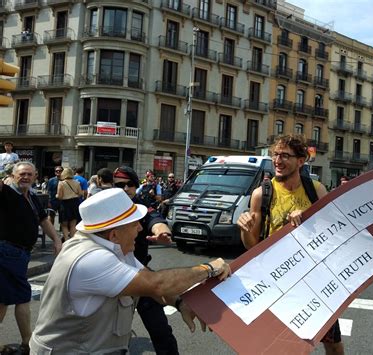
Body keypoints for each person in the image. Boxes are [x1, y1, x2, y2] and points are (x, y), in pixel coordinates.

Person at [30, 188, 231, 354]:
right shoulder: (91, 259)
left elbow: (150, 283)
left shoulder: (113, 247)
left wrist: (180, 303)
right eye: (134, 224)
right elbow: (156, 283)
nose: (140, 229)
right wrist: (209, 268)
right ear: (115, 234)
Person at [237, 134, 344, 355]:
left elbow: (333, 233)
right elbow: (252, 246)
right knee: (285, 347)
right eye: (275, 154)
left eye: (285, 155)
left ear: (301, 160)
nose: (277, 160)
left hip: (315, 281)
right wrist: (244, 229)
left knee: (333, 344)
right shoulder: (261, 194)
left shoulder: (316, 190)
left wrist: (308, 218)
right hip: (279, 283)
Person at [114, 166, 180, 353]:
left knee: (160, 330)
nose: (125, 189)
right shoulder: (106, 208)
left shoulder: (141, 205)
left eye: (130, 184)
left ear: (136, 186)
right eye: (120, 185)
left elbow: (155, 219)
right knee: (109, 335)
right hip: (111, 277)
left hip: (140, 276)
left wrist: (162, 233)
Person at [0, 162, 62, 355]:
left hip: (20, 253)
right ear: (12, 175)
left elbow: (43, 220)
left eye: (29, 174)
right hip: (8, 251)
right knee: (17, 296)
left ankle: (26, 342)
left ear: (35, 176)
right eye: (21, 174)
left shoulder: (32, 196)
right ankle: (28, 342)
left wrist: (57, 240)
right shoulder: (6, 193)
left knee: (7, 299)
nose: (25, 177)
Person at [57, 167, 81, 240]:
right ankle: (72, 240)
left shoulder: (61, 183)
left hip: (65, 204)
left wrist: (56, 195)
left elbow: (60, 196)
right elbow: (80, 194)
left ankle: (66, 239)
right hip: (74, 203)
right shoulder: (77, 182)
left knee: (64, 225)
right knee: (73, 224)